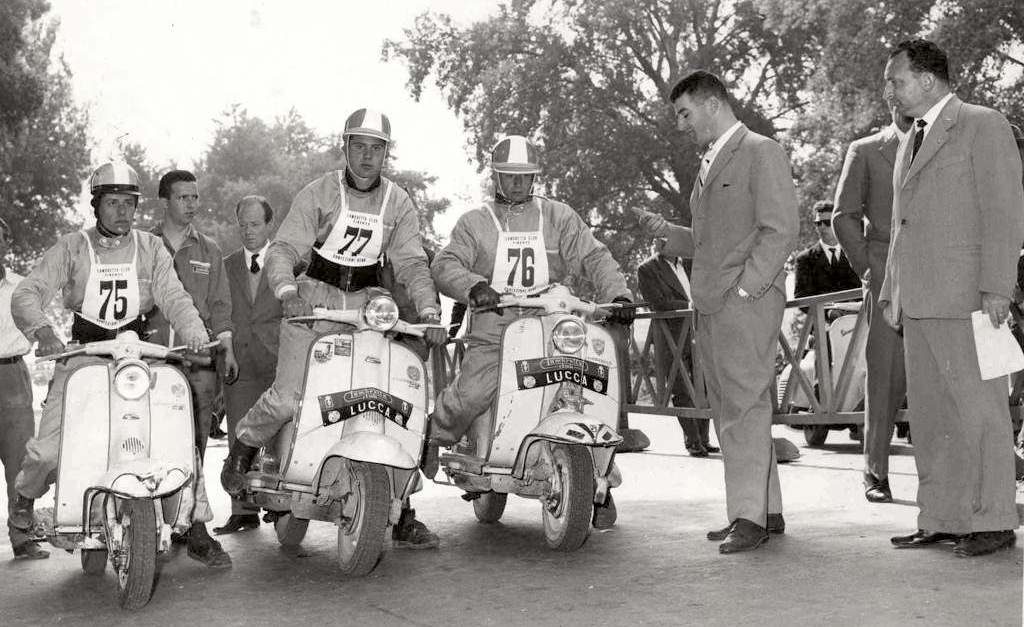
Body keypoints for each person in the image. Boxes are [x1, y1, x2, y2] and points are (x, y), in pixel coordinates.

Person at [221, 108, 447, 548]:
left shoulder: (397, 202)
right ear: (343, 147)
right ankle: (245, 446)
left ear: (386, 154)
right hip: (315, 298)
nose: (366, 157)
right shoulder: (318, 192)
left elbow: (412, 264)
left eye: (376, 149)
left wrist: (430, 312)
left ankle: (401, 511)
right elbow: (284, 249)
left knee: (387, 396)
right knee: (290, 396)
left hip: (367, 304)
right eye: (358, 146)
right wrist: (288, 292)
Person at [7, 161, 231, 567]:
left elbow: (175, 296)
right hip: (84, 353)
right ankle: (24, 498)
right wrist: (43, 332)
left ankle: (191, 523)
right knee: (46, 450)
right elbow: (27, 293)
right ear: (96, 205)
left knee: (177, 434)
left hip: (136, 351)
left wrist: (196, 333)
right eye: (113, 203)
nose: (122, 213)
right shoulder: (72, 246)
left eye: (129, 204)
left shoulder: (150, 247)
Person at [426, 134, 636, 527]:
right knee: (475, 391)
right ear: (496, 177)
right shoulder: (475, 222)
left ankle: (601, 474)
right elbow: (445, 263)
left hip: (554, 320)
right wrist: (475, 287)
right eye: (510, 176)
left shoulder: (559, 216)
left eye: (526, 176)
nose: (519, 184)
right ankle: (437, 431)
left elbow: (593, 255)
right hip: (497, 325)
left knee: (591, 384)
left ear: (536, 176)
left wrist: (619, 296)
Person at [636, 70, 799, 553]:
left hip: (741, 303)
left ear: (712, 104)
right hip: (714, 304)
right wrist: (669, 232)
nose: (682, 125)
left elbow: (780, 229)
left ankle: (746, 517)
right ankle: (764, 511)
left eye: (685, 113)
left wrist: (748, 289)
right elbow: (712, 242)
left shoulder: (761, 151)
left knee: (743, 409)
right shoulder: (712, 161)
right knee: (737, 408)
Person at [880, 39, 1023, 557]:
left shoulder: (983, 124)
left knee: (981, 413)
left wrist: (996, 287)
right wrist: (892, 288)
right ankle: (942, 516)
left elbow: (1005, 210)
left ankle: (993, 520)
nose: (889, 91)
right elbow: (902, 225)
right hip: (917, 300)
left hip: (968, 298)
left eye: (896, 80)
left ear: (927, 79)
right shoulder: (909, 138)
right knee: (932, 417)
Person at [833, 102, 914, 503]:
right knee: (884, 377)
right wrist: (869, 268)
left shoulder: (944, 143)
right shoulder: (865, 150)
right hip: (885, 278)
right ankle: (875, 471)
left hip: (940, 277)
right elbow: (843, 216)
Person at [148, 170, 238, 461]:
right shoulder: (144, 245)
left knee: (195, 440)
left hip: (200, 360)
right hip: (154, 357)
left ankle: (192, 503)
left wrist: (228, 351)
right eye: (182, 197)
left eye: (195, 197)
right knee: (153, 434)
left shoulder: (209, 249)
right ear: (165, 201)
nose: (191, 204)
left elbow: (221, 305)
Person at [213, 195, 282, 535]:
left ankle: (281, 505)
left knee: (280, 431)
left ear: (270, 225)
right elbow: (219, 312)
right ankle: (242, 511)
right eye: (243, 225)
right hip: (237, 362)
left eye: (255, 224)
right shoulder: (225, 266)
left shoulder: (287, 264)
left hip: (279, 360)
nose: (249, 231)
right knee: (239, 431)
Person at [637, 244, 717, 456]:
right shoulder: (647, 269)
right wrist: (691, 304)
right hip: (670, 335)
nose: (660, 243)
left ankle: (704, 438)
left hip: (697, 332)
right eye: (658, 239)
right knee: (681, 387)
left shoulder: (690, 264)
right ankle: (693, 441)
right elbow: (657, 303)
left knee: (705, 385)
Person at [0, 218, 48, 560]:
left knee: (20, 459)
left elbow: (38, 330)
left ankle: (21, 537)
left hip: (11, 374)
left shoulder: (21, 288)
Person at [793, 201, 861, 302]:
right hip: (822, 316)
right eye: (818, 223)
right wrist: (828, 312)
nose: (822, 227)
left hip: (856, 315)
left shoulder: (856, 254)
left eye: (827, 222)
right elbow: (802, 296)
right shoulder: (804, 259)